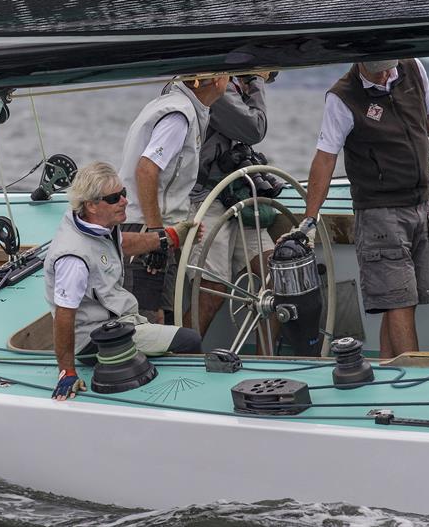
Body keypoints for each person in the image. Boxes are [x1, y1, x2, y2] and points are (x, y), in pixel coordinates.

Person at [286, 58, 429, 358]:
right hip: (379, 215)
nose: (385, 74)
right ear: (359, 63)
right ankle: (410, 384)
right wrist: (309, 219)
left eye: (388, 67)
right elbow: (325, 158)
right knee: (399, 304)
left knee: (400, 303)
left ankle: (387, 373)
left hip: (421, 205)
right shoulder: (342, 97)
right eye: (377, 70)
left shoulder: (413, 68)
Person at [45, 162, 202, 401]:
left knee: (161, 326)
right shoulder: (73, 259)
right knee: (190, 341)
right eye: (114, 198)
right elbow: (64, 314)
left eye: (124, 193)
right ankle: (186, 398)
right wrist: (67, 371)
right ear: (92, 205)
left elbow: (123, 243)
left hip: (118, 321)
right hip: (95, 340)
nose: (125, 201)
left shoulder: (98, 226)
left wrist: (168, 237)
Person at [118, 74, 229, 325]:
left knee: (162, 317)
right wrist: (157, 237)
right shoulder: (179, 115)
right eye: (225, 73)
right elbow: (146, 169)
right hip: (148, 229)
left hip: (156, 227)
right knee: (150, 320)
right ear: (213, 81)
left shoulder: (179, 106)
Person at [185, 72, 277, 344]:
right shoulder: (212, 85)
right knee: (212, 290)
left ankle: (268, 362)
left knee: (274, 275)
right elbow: (254, 129)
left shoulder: (232, 84)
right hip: (208, 199)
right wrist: (257, 81)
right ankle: (182, 358)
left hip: (235, 195)